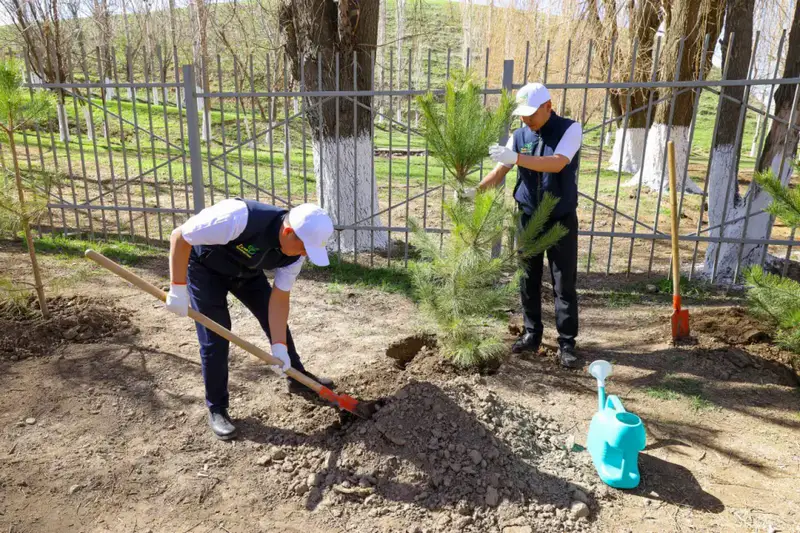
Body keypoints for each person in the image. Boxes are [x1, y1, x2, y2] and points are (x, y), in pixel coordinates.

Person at [164, 198, 336, 439]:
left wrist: (279, 346)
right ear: (288, 233)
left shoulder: (295, 254)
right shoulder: (236, 218)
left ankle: (296, 376)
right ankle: (217, 407)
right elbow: (180, 236)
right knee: (216, 335)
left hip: (247, 272)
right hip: (205, 268)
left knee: (274, 323)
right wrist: (177, 288)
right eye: (305, 247)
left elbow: (279, 298)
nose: (305, 254)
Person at [478, 82, 582, 369]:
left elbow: (557, 163)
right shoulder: (520, 135)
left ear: (548, 106)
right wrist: (475, 191)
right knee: (527, 278)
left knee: (563, 282)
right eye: (522, 114)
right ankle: (532, 334)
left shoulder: (570, 129)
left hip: (560, 218)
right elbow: (500, 172)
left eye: (531, 113)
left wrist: (517, 157)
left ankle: (567, 343)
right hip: (528, 217)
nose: (526, 119)